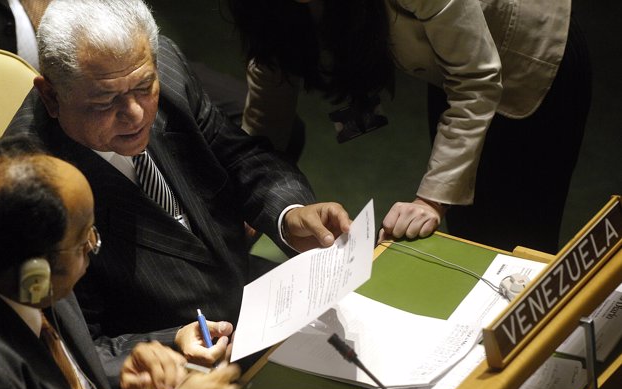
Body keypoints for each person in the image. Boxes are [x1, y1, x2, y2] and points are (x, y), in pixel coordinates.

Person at [4, 0, 351, 367]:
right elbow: (77, 354)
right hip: (176, 369)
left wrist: (289, 213)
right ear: (51, 96)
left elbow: (236, 155)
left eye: (143, 87)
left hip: (253, 298)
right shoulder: (28, 193)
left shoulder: (163, 70)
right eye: (106, 101)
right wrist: (171, 346)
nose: (135, 114)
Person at [0, 136, 242, 389]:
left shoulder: (15, 266)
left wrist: (131, 366)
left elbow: (63, 364)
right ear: (34, 277)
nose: (94, 247)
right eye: (85, 243)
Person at [226, 0, 592, 254]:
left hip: (528, 57)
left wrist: (431, 200)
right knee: (470, 230)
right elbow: (268, 95)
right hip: (449, 66)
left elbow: (475, 80)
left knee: (518, 245)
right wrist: (250, 201)